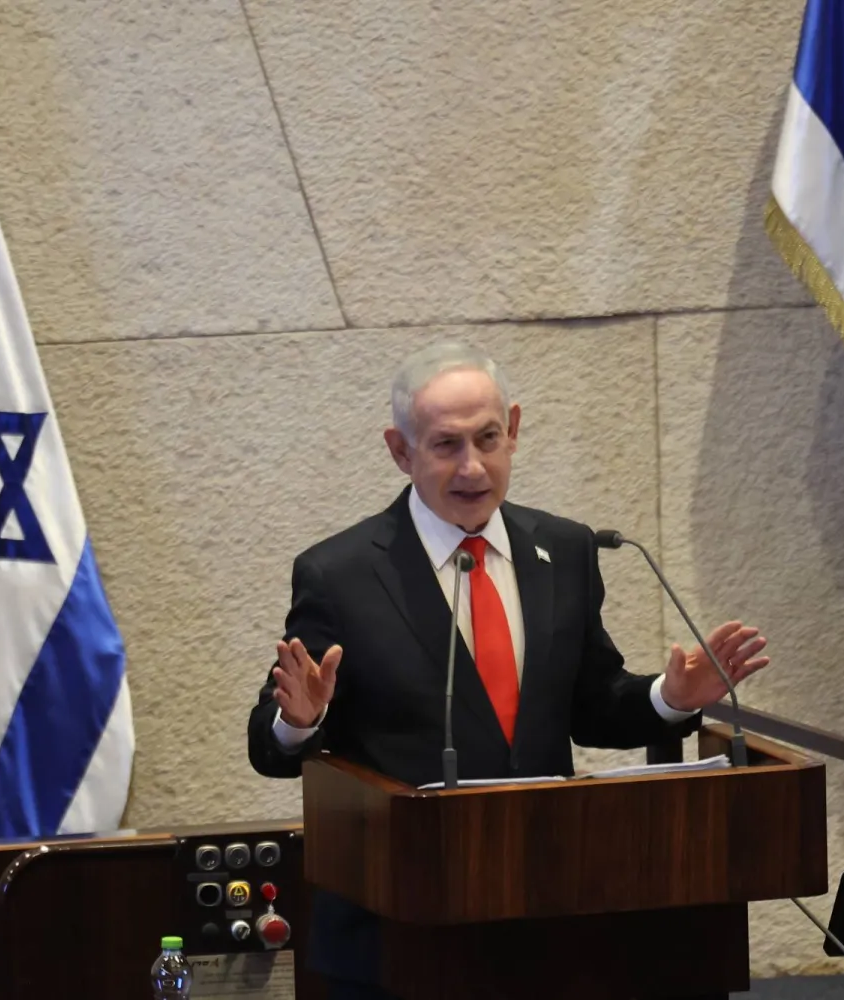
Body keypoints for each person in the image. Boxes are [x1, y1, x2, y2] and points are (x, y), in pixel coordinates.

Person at [246, 342, 770, 999]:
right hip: (400, 931)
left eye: (489, 438)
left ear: (514, 430)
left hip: (547, 919)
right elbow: (268, 745)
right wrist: (301, 720)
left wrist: (669, 696)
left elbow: (591, 705)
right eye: (446, 445)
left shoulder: (566, 549)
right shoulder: (340, 574)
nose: (473, 466)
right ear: (400, 450)